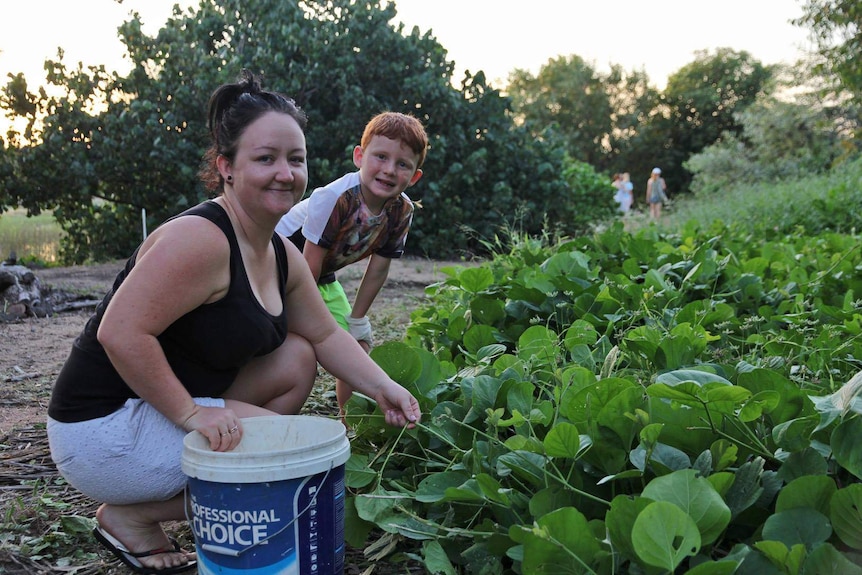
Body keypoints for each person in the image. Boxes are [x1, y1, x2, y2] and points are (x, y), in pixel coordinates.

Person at [46, 71, 421, 575]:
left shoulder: (278, 253)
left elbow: (327, 334)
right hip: (104, 428)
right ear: (226, 167)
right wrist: (190, 415)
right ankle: (132, 515)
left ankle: (178, 500)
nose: (284, 173)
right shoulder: (201, 239)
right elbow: (120, 333)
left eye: (295, 159)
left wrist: (383, 388)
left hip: (156, 402)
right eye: (265, 158)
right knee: (296, 457)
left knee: (297, 357)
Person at [275, 111, 427, 415]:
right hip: (278, 268)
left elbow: (378, 268)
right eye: (380, 157)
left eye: (402, 164)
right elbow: (307, 264)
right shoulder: (334, 198)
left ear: (414, 177)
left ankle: (348, 421)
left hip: (320, 277)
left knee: (357, 348)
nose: (388, 170)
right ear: (359, 156)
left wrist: (357, 320)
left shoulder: (401, 211)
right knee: (287, 345)